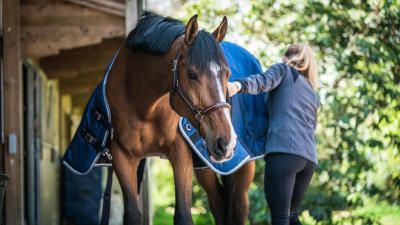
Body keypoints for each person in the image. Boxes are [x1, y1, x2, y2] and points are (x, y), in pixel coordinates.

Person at [228, 44, 319, 225]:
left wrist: (237, 86)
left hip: (284, 153)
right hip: (308, 160)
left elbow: (262, 82)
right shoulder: (312, 92)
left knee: (280, 218)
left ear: (285, 59)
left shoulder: (283, 70)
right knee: (291, 216)